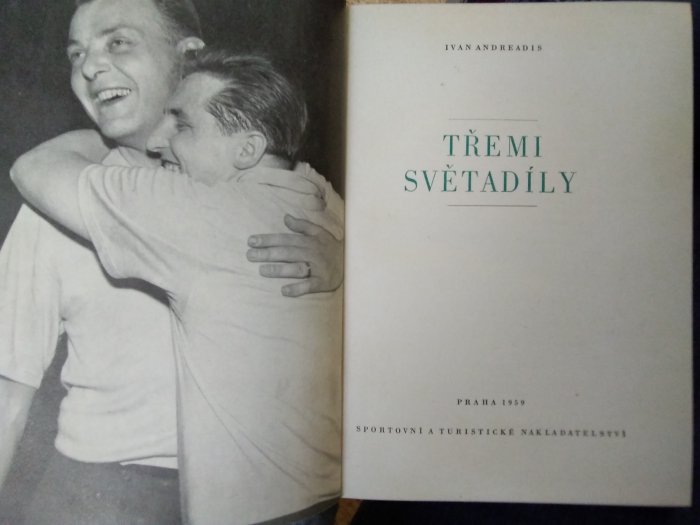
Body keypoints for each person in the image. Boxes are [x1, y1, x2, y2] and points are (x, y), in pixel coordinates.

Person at [0, 0, 343, 523]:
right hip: (103, 498)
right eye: (76, 54)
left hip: (255, 500)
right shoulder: (53, 202)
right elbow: (9, 391)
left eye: (118, 42)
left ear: (188, 56)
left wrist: (352, 265)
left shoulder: (295, 189)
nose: (90, 66)